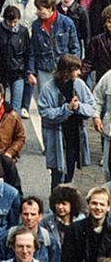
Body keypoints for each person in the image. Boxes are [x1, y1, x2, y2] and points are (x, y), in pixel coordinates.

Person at [38, 54, 95, 190]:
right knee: (57, 174)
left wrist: (79, 107)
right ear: (67, 70)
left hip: (74, 135)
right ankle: (56, 202)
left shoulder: (79, 85)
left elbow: (91, 106)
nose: (79, 73)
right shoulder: (48, 88)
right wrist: (66, 109)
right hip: (57, 136)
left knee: (70, 170)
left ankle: (68, 202)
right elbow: (45, 113)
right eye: (76, 70)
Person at [0, 5, 31, 114]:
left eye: (15, 22)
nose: (13, 25)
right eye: (10, 22)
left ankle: (13, 128)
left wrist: (29, 72)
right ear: (5, 19)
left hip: (17, 72)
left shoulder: (23, 31)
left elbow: (28, 53)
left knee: (15, 107)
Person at [0, 197, 60, 262]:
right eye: (25, 214)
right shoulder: (6, 238)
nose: (29, 218)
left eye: (33, 214)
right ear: (20, 215)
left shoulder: (49, 240)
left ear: (40, 216)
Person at [60, 187, 111, 261]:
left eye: (102, 204)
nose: (98, 207)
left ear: (108, 207)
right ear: (88, 205)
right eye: (94, 203)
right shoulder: (73, 230)